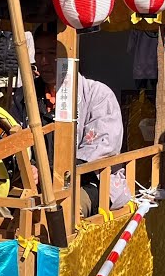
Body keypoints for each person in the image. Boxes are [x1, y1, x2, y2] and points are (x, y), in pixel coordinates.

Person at [14, 23, 131, 217]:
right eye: (39, 53)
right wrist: (29, 167)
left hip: (88, 182)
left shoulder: (98, 94)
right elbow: (15, 138)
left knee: (66, 212)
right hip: (34, 181)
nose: (44, 61)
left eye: (52, 53)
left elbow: (103, 148)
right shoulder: (24, 95)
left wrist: (53, 173)